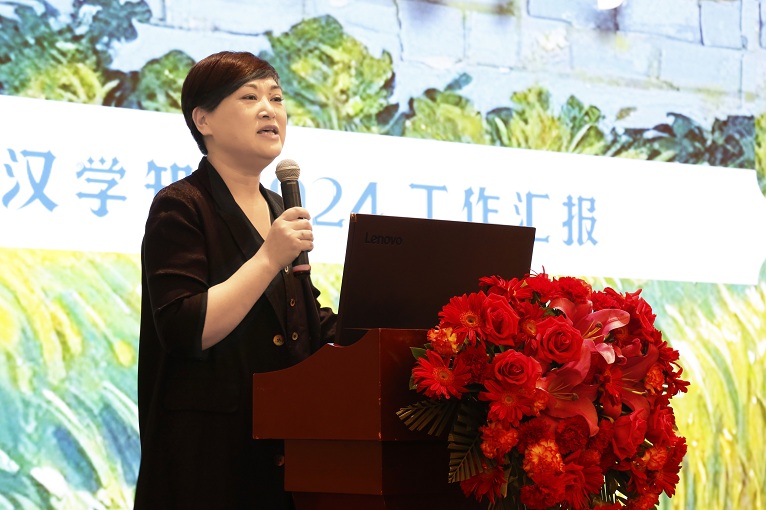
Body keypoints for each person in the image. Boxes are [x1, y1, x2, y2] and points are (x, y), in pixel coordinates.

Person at [133, 50, 336, 509]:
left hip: (280, 458)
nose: (269, 110)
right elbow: (185, 327)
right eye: (250, 97)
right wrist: (269, 257)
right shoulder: (181, 205)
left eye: (276, 98)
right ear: (202, 119)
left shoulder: (278, 208)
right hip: (206, 465)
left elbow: (306, 322)